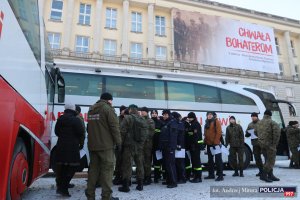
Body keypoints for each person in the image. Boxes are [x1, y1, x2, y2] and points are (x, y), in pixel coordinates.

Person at [85, 92, 121, 200]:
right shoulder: (108, 109)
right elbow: (115, 128)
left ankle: (90, 195)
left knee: (93, 171)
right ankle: (106, 196)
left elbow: (89, 127)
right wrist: (119, 142)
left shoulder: (91, 109)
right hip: (106, 146)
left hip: (93, 145)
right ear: (109, 100)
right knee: (107, 171)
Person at [55, 103, 85, 197]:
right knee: (72, 168)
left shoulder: (60, 119)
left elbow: (56, 131)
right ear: (73, 109)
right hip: (72, 147)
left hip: (61, 146)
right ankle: (63, 188)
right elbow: (81, 132)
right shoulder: (76, 120)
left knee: (63, 167)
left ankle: (61, 186)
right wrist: (81, 144)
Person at [118, 104, 148, 192]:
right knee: (139, 165)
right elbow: (145, 134)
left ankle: (126, 186)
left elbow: (122, 132)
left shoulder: (127, 118)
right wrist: (141, 144)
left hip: (129, 146)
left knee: (127, 165)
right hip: (139, 146)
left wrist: (120, 144)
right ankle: (140, 185)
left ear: (130, 110)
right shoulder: (142, 119)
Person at [257, 109, 281, 182]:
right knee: (270, 161)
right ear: (270, 115)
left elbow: (255, 132)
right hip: (270, 145)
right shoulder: (273, 123)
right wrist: (275, 144)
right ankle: (263, 175)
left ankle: (270, 175)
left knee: (267, 160)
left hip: (262, 144)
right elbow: (277, 134)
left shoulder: (259, 122)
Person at [159, 109, 178, 188]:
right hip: (165, 147)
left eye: (166, 115)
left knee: (170, 165)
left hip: (170, 147)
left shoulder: (172, 123)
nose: (164, 116)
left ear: (169, 115)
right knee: (166, 165)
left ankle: (173, 182)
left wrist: (171, 147)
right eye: (163, 115)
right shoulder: (165, 123)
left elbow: (173, 137)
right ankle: (168, 180)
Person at [204, 111, 224, 181]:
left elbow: (219, 133)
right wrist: (205, 142)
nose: (209, 116)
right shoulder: (206, 123)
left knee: (218, 160)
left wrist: (215, 142)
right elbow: (206, 134)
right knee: (210, 161)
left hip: (216, 144)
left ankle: (220, 175)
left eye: (210, 114)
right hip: (209, 144)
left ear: (213, 115)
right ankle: (211, 174)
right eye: (208, 115)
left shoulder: (216, 122)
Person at [186, 112, 204, 183]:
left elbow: (196, 136)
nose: (189, 119)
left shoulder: (195, 124)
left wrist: (193, 144)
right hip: (193, 146)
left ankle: (198, 177)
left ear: (193, 118)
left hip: (195, 146)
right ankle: (196, 176)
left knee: (197, 162)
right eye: (188, 118)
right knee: (194, 162)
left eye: (190, 118)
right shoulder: (193, 124)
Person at [140, 107, 155, 185]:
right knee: (141, 162)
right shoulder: (140, 120)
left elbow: (151, 132)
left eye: (143, 111)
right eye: (141, 111)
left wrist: (143, 138)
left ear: (147, 112)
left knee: (147, 162)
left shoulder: (150, 121)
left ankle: (148, 178)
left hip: (147, 145)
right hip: (141, 145)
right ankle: (141, 177)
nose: (142, 113)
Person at [113, 105, 127, 185]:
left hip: (126, 144)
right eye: (122, 110)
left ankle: (124, 178)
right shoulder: (117, 119)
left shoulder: (128, 118)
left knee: (125, 162)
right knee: (118, 162)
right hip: (118, 144)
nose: (123, 111)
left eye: (124, 110)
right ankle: (117, 177)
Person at [151, 109, 164, 183]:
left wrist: (160, 145)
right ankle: (148, 177)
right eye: (152, 113)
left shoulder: (160, 123)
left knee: (157, 163)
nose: (154, 114)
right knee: (147, 162)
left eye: (155, 113)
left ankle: (157, 176)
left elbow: (162, 135)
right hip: (149, 146)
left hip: (157, 146)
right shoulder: (148, 122)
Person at [173, 112, 186, 184]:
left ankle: (182, 178)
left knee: (180, 163)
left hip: (180, 147)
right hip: (178, 146)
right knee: (177, 163)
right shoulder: (178, 124)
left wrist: (179, 145)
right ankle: (179, 177)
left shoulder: (180, 124)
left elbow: (180, 136)